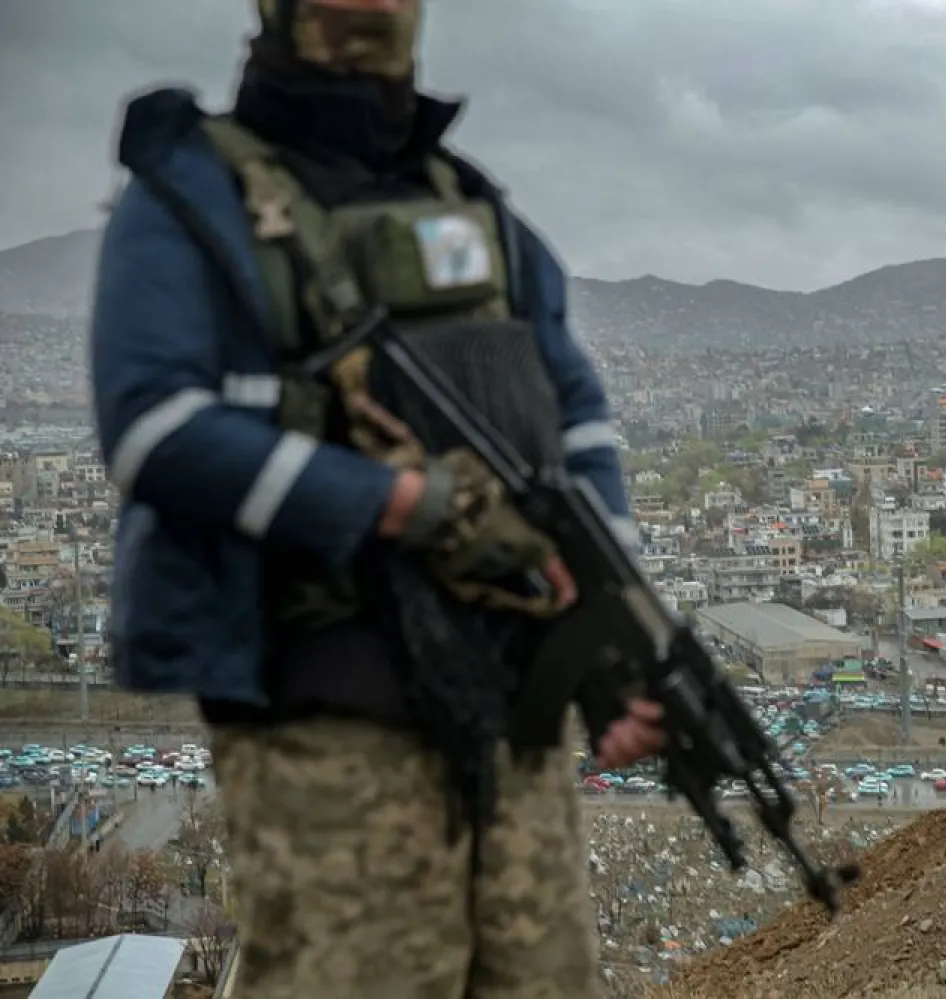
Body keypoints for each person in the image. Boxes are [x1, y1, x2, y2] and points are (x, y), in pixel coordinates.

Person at [89, 1, 666, 995]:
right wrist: (399, 503)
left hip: (506, 710)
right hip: (321, 702)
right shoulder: (194, 194)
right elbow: (152, 428)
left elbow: (572, 418)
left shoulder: (472, 209)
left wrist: (613, 636)